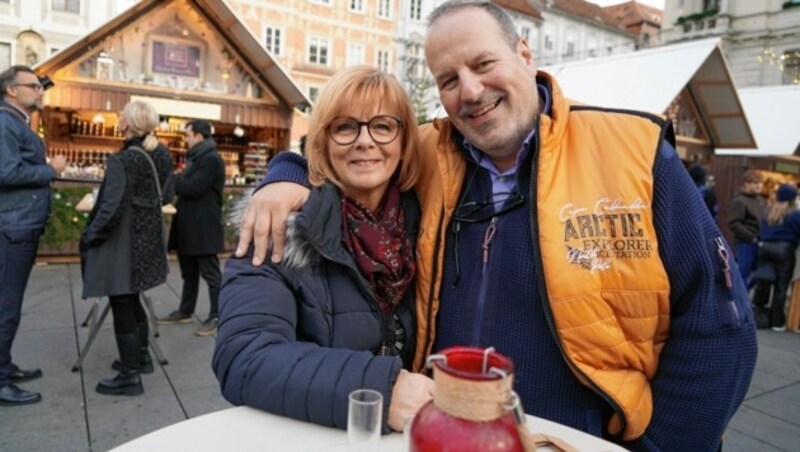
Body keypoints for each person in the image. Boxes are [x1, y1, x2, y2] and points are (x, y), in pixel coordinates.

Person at [235, 1, 758, 450]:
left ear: (525, 55)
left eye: (483, 63)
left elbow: (720, 330)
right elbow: (348, 150)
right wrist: (283, 178)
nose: (470, 90)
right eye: (448, 80)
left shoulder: (633, 152)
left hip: (579, 441)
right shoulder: (430, 155)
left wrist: (655, 447)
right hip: (443, 435)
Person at [212, 66, 434, 432]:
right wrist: (380, 388)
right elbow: (244, 357)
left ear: (404, 140)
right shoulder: (276, 227)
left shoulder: (427, 224)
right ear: (322, 142)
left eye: (382, 125)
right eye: (345, 126)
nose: (365, 140)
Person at [80, 100, 172, 396]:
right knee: (132, 299)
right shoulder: (160, 154)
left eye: (121, 114)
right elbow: (168, 193)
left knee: (122, 301)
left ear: (128, 123)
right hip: (147, 240)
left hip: (124, 244)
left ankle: (130, 376)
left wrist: (90, 235)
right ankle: (141, 358)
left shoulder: (122, 160)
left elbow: (110, 207)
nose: (118, 118)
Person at [0, 65, 66, 406]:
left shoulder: (15, 122)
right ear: (13, 90)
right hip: (12, 227)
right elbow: (6, 171)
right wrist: (49, 171)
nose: (41, 91)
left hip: (18, 225)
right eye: (35, 86)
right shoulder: (5, 122)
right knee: (6, 306)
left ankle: (5, 367)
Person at [159, 119, 225, 336]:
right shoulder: (197, 158)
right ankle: (185, 311)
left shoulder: (211, 159)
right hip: (189, 225)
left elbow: (194, 187)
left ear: (198, 136)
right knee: (189, 272)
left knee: (211, 274)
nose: (185, 139)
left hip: (203, 227)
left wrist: (173, 179)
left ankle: (218, 316)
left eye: (187, 135)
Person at [752, 184, 800, 332]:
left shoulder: (769, 211)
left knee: (764, 283)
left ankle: (758, 317)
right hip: (784, 250)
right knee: (781, 287)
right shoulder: (795, 214)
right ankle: (776, 321)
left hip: (765, 248)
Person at [728, 170, 765, 286]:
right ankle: (740, 302)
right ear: (746, 184)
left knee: (757, 274)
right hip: (745, 243)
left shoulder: (760, 201)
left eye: (761, 182)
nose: (759, 185)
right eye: (755, 182)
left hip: (758, 242)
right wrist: (751, 237)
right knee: (742, 275)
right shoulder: (740, 201)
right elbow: (733, 223)